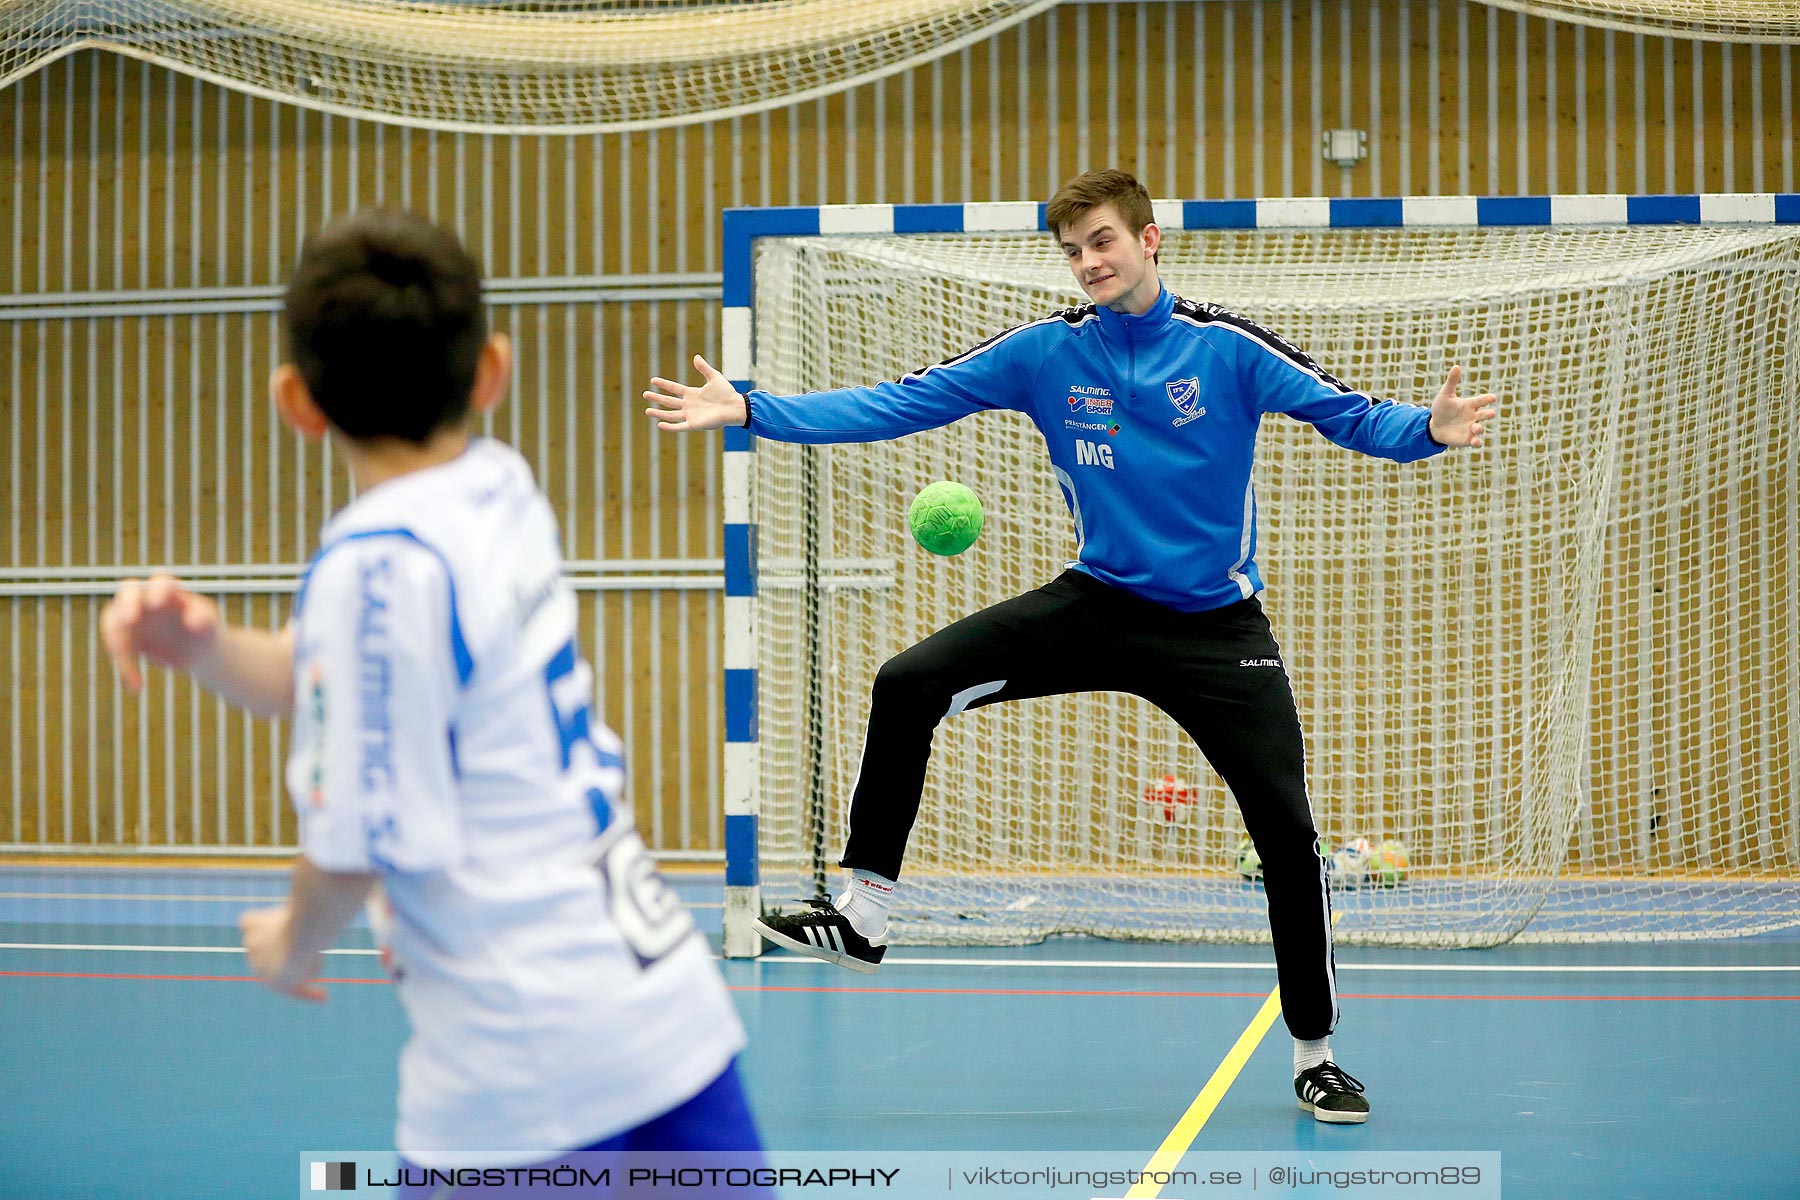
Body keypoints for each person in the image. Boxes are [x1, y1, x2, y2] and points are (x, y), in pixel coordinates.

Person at [644, 169, 1499, 1126]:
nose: (1089, 262)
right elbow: (902, 401)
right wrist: (755, 409)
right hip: (1096, 603)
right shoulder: (1045, 355)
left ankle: (1316, 1054)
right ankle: (863, 916)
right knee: (909, 681)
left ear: (1149, 240)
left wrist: (1428, 430)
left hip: (1217, 629)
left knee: (1288, 836)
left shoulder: (1227, 351)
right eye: (1074, 250)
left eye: (1103, 241)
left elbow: (1351, 414)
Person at [101, 210, 764, 1192]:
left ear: (295, 400)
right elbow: (341, 678)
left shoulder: (376, 568)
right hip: (668, 1020)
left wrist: (289, 944)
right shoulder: (501, 492)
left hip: (519, 1073)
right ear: (490, 371)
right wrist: (203, 648)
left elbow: (359, 838)